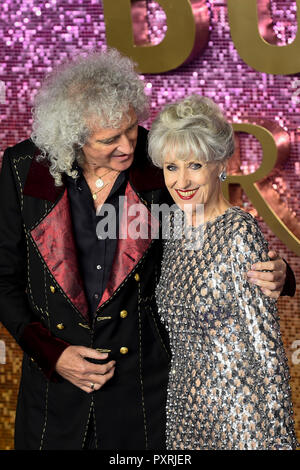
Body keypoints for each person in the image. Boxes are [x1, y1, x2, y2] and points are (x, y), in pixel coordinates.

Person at [0, 50, 295, 450]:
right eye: (108, 140)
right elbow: (4, 279)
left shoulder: (159, 166)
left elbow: (213, 236)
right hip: (55, 398)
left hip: (142, 395)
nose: (126, 146)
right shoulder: (25, 169)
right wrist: (52, 353)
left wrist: (279, 274)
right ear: (72, 135)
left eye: (130, 129)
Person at [147, 94, 298, 450]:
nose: (181, 180)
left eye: (194, 165)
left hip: (240, 418)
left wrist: (278, 439)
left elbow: (267, 348)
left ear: (220, 164)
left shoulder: (238, 232)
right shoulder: (173, 233)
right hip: (183, 412)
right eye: (171, 167)